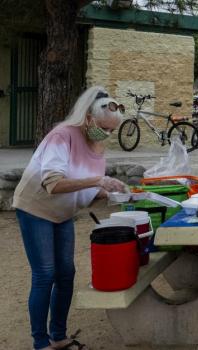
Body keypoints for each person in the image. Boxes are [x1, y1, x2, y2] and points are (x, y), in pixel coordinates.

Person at [13, 86, 128, 350]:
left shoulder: (97, 145)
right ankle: (41, 342)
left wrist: (108, 192)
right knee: (45, 274)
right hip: (36, 208)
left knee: (66, 273)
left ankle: (59, 335)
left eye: (111, 130)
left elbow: (84, 188)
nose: (107, 134)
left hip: (62, 213)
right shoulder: (62, 136)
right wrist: (98, 180)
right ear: (88, 117)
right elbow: (53, 184)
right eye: (104, 127)